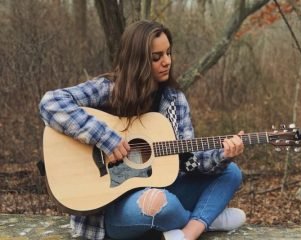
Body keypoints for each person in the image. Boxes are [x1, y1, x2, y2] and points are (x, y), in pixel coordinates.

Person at [39, 20, 246, 240]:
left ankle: (189, 232)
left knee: (231, 172)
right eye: (156, 57)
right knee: (163, 205)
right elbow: (51, 103)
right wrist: (106, 138)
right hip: (109, 210)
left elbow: (188, 161)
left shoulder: (174, 101)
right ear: (137, 60)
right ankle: (206, 220)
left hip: (163, 190)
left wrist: (222, 155)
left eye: (168, 53)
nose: (167, 61)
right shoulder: (109, 89)